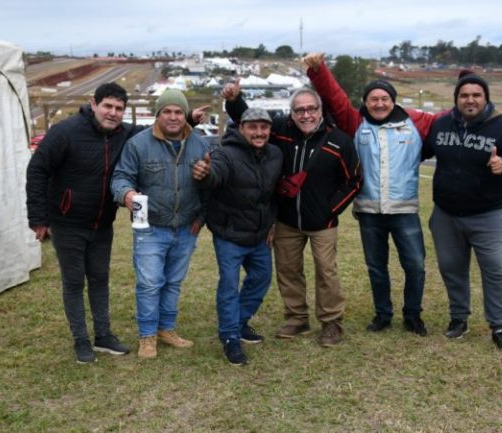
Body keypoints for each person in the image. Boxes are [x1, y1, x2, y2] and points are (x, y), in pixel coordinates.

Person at [304, 53, 442, 336]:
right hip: (369, 212)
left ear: (393, 101)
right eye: (373, 99)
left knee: (415, 265)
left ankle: (413, 315)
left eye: (385, 99)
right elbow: (335, 97)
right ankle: (383, 314)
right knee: (376, 267)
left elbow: (452, 119)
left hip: (405, 211)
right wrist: (319, 71)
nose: (379, 104)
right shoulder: (356, 124)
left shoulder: (416, 123)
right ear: (366, 102)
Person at [223, 81, 361, 347]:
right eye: (299, 110)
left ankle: (331, 322)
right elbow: (251, 122)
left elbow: (354, 180)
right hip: (286, 220)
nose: (305, 115)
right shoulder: (280, 132)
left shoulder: (339, 140)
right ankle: (297, 317)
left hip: (323, 222)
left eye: (311, 109)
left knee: (326, 272)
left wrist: (331, 209)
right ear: (291, 113)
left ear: (320, 111)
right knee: (288, 271)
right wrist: (234, 99)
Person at [26, 82, 138, 364]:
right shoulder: (65, 132)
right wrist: (38, 218)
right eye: (108, 106)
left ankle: (103, 336)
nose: (112, 113)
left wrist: (185, 119)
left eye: (119, 109)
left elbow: (157, 132)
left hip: (102, 224)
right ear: (94, 103)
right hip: (67, 223)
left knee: (100, 279)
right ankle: (81, 340)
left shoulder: (124, 134)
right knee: (74, 282)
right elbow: (37, 170)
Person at [423, 70, 502, 354]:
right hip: (446, 213)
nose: (470, 100)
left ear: (485, 98)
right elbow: (421, 150)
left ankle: (500, 326)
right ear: (456, 98)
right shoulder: (441, 124)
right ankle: (459, 318)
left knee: (494, 269)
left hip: (488, 214)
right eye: (464, 95)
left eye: (476, 95)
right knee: (451, 268)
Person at [110, 88, 211, 359]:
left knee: (173, 281)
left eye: (178, 111)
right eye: (167, 111)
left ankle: (167, 328)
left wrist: (200, 219)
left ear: (185, 115)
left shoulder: (201, 144)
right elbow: (120, 177)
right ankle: (147, 335)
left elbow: (211, 187)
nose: (173, 117)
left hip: (186, 227)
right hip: (151, 227)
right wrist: (126, 194)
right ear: (158, 114)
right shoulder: (138, 145)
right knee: (150, 283)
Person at [192, 107, 283, 365]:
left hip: (260, 234)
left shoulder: (275, 154)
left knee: (261, 279)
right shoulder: (225, 154)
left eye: (263, 127)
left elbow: (274, 193)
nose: (259, 132)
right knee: (229, 286)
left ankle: (239, 322)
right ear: (241, 128)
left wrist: (272, 222)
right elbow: (215, 174)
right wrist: (205, 174)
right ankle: (230, 337)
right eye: (252, 127)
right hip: (229, 234)